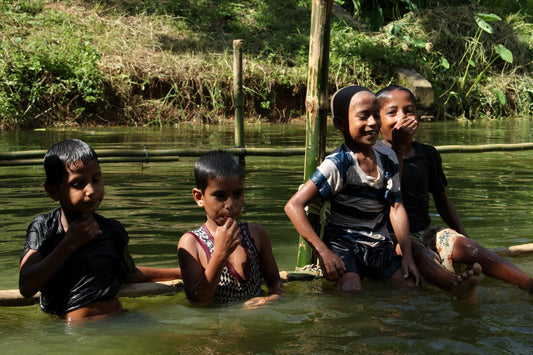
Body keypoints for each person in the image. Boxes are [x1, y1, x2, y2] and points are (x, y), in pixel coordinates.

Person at [376, 85, 533, 300]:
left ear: (419, 117)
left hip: (426, 230)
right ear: (377, 121)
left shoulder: (428, 154)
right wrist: (399, 150)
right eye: (392, 113)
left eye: (409, 111)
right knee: (419, 253)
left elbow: (442, 202)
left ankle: (527, 284)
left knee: (470, 248)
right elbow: (391, 197)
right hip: (393, 237)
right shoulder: (374, 155)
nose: (402, 118)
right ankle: (456, 286)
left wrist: (465, 239)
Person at [19, 139, 181, 322]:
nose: (91, 190)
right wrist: (69, 243)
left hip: (120, 319)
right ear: (53, 192)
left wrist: (178, 272)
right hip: (76, 332)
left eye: (96, 180)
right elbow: (26, 286)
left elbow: (128, 274)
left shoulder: (113, 230)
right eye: (78, 183)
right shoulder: (44, 227)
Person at [285, 85, 420, 293]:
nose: (373, 123)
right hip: (343, 245)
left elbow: (396, 207)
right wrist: (324, 253)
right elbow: (293, 205)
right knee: (350, 289)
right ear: (340, 123)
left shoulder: (388, 157)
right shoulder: (338, 163)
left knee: (409, 285)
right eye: (363, 117)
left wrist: (407, 257)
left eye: (376, 115)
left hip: (378, 244)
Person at [177, 150, 283, 306]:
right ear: (199, 197)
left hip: (257, 320)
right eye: (220, 196)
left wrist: (270, 300)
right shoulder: (191, 243)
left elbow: (275, 284)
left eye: (238, 194)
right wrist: (220, 253)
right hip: (216, 325)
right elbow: (198, 300)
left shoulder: (256, 234)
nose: (230, 205)